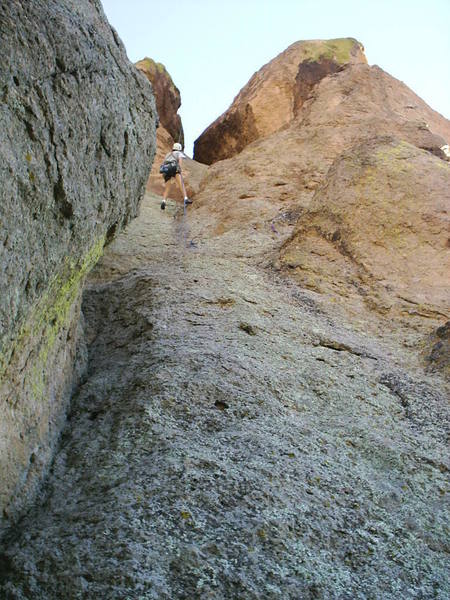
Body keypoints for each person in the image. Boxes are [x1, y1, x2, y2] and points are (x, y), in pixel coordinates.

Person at [160, 142, 192, 210]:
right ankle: (185, 199)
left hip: (166, 170)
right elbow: (180, 162)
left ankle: (163, 201)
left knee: (167, 188)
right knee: (181, 184)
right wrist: (179, 170)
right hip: (174, 169)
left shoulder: (168, 154)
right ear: (179, 148)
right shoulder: (179, 153)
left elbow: (164, 162)